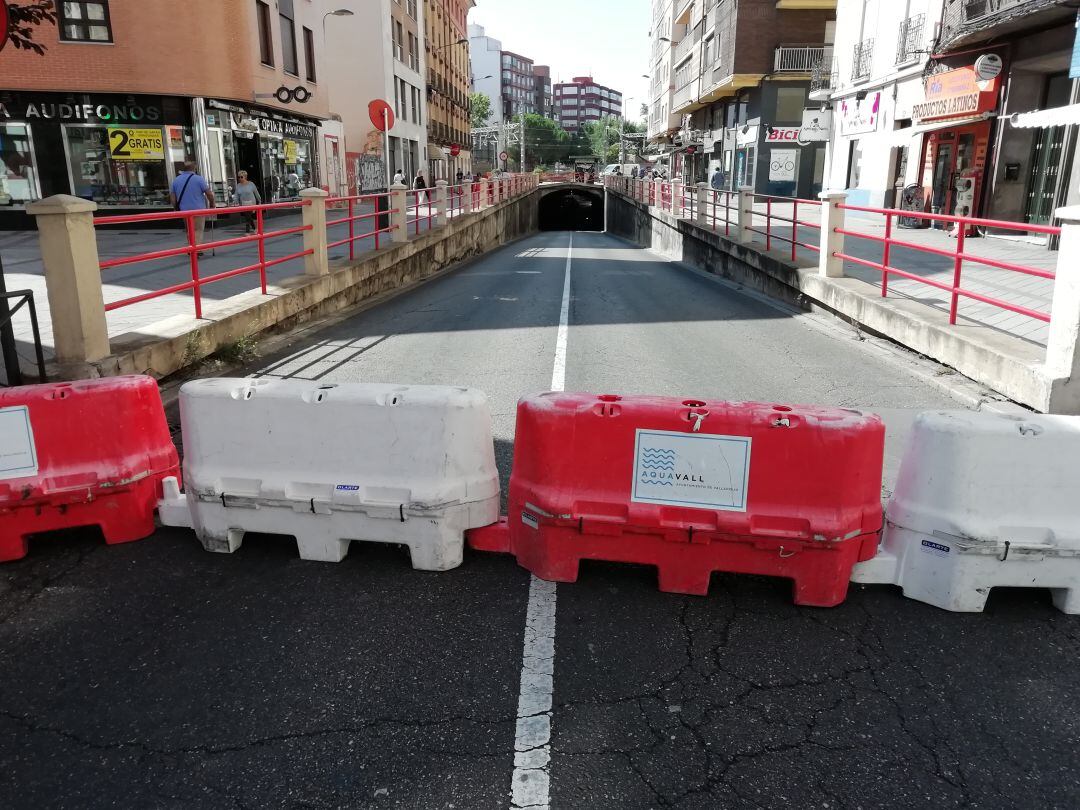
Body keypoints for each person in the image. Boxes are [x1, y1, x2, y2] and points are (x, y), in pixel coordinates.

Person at [170, 161, 215, 255]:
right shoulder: (199, 179)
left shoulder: (176, 180)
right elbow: (209, 194)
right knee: (197, 230)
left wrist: (175, 208)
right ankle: (196, 249)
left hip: (184, 210)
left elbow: (173, 197)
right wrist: (212, 204)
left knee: (189, 230)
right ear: (194, 168)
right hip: (198, 209)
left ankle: (191, 248)